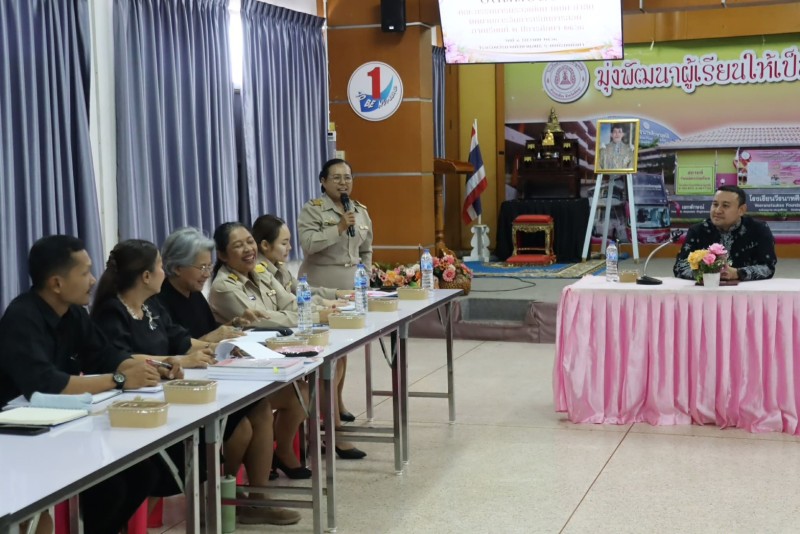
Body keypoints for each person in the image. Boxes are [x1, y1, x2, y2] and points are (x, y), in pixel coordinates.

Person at [93, 238, 302, 525]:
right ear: (146, 276)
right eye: (160, 267)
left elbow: (181, 339)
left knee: (259, 407)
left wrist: (219, 348)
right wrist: (178, 360)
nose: (164, 272)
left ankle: (252, 499)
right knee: (232, 428)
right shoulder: (112, 312)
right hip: (139, 406)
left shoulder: (150, 306)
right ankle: (222, 499)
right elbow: (122, 357)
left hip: (171, 392)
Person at [0, 235, 166, 534]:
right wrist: (120, 380)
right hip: (19, 436)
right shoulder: (22, 318)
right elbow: (47, 386)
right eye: (85, 272)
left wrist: (154, 368)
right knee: (111, 488)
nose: (93, 280)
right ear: (57, 283)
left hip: (64, 424)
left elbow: (105, 355)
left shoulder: (74, 313)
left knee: (142, 473)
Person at [159, 228, 312, 485]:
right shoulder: (162, 302)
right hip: (191, 388)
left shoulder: (194, 295)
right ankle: (225, 492)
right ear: (176, 268)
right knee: (242, 429)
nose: (207, 273)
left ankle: (259, 494)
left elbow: (211, 335)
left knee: (278, 401)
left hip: (219, 376)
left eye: (209, 266)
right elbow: (175, 349)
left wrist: (234, 327)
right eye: (202, 267)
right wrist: (214, 340)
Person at [296, 158, 374, 459]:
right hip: (321, 291)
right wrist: (339, 227)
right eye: (337, 178)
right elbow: (308, 244)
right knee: (327, 356)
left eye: (348, 177)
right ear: (323, 181)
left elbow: (366, 248)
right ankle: (328, 423)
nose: (344, 183)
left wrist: (364, 276)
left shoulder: (360, 210)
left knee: (342, 353)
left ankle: (337, 404)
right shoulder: (313, 210)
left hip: (351, 290)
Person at [674, 185, 777, 281]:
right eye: (715, 204)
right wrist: (708, 274)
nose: (717, 210)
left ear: (741, 210)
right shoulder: (698, 231)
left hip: (746, 290)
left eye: (725, 206)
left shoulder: (758, 229)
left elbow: (768, 267)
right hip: (707, 288)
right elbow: (680, 267)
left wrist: (737, 273)